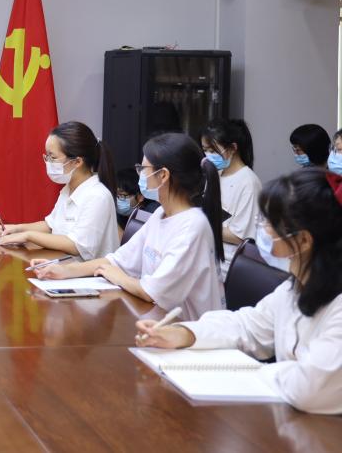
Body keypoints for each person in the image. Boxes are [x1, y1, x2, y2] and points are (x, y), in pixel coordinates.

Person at [136, 168, 342, 415]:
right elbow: (247, 326)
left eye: (270, 223)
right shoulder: (294, 288)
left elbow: (309, 388)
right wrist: (185, 333)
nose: (263, 230)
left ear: (305, 240)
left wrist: (256, 371)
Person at [34, 132, 225, 321]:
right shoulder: (160, 214)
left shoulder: (192, 226)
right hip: (159, 321)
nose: (140, 175)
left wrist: (118, 277)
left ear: (163, 175)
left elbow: (152, 292)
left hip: (189, 331)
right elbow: (117, 261)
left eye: (143, 169)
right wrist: (65, 271)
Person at [0, 121, 119, 260]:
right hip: (62, 265)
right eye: (47, 157)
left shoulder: (97, 196)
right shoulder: (69, 188)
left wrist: (28, 236)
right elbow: (51, 226)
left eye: (53, 157)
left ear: (77, 162)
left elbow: (77, 246)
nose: (48, 162)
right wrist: (16, 229)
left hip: (88, 272)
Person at [201, 118, 262, 278]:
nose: (208, 156)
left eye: (213, 150)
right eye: (205, 150)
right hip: (208, 256)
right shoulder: (216, 174)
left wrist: (202, 224)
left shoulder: (248, 182)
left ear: (233, 148)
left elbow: (240, 236)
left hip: (228, 265)